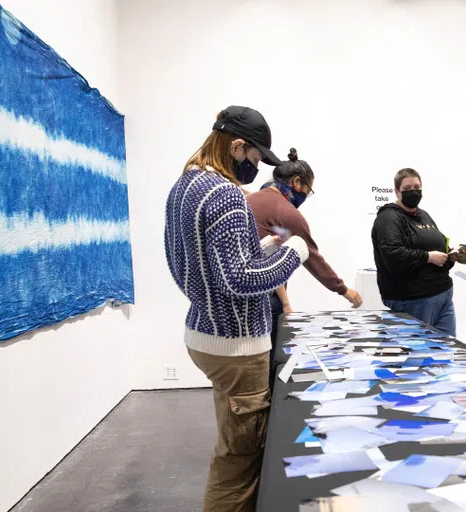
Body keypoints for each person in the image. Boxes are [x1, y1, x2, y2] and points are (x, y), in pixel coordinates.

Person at [164, 106, 309, 512]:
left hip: (204, 332)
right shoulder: (227, 194)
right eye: (256, 157)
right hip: (235, 344)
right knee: (239, 462)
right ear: (237, 146)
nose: (257, 166)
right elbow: (239, 280)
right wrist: (293, 253)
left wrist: (261, 249)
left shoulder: (185, 186)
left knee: (233, 444)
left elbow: (194, 263)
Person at [247, 148, 363, 381]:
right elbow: (311, 257)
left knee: (252, 365)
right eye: (307, 191)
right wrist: (344, 290)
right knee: (267, 366)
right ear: (296, 182)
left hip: (240, 294)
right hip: (262, 298)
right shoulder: (286, 212)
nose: (304, 197)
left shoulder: (250, 199)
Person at [371, 168, 457, 336]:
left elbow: (437, 245)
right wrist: (427, 257)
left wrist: (450, 256)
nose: (414, 192)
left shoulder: (423, 215)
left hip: (442, 294)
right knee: (417, 356)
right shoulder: (388, 218)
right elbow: (392, 254)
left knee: (445, 355)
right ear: (397, 191)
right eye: (408, 189)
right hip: (413, 299)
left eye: (417, 187)